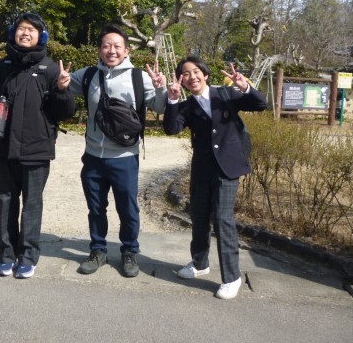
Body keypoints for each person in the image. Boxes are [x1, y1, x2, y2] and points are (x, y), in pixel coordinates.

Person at [0, 12, 76, 279]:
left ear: (41, 36)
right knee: (5, 202)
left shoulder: (51, 69)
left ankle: (28, 257)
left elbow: (64, 113)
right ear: (12, 33)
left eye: (31, 30)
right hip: (3, 149)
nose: (25, 33)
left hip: (37, 150)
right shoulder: (1, 67)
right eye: (21, 29)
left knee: (32, 204)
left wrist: (63, 90)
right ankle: (6, 256)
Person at [58, 24, 167, 278]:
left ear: (127, 50)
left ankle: (129, 252)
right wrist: (61, 83)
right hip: (93, 157)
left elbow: (160, 108)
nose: (111, 50)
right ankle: (98, 250)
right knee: (96, 208)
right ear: (99, 49)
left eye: (117, 46)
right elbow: (62, 86)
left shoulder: (139, 77)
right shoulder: (87, 76)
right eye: (106, 46)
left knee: (128, 209)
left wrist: (161, 88)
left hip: (125, 158)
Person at [163, 56, 267, 299]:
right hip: (202, 168)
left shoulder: (226, 94)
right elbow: (171, 128)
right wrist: (172, 100)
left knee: (222, 219)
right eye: (185, 73)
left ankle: (232, 277)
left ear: (205, 74)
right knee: (198, 217)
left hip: (227, 168)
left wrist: (244, 86)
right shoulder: (186, 106)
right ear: (181, 80)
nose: (192, 77)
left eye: (196, 71)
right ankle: (200, 264)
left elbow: (261, 104)